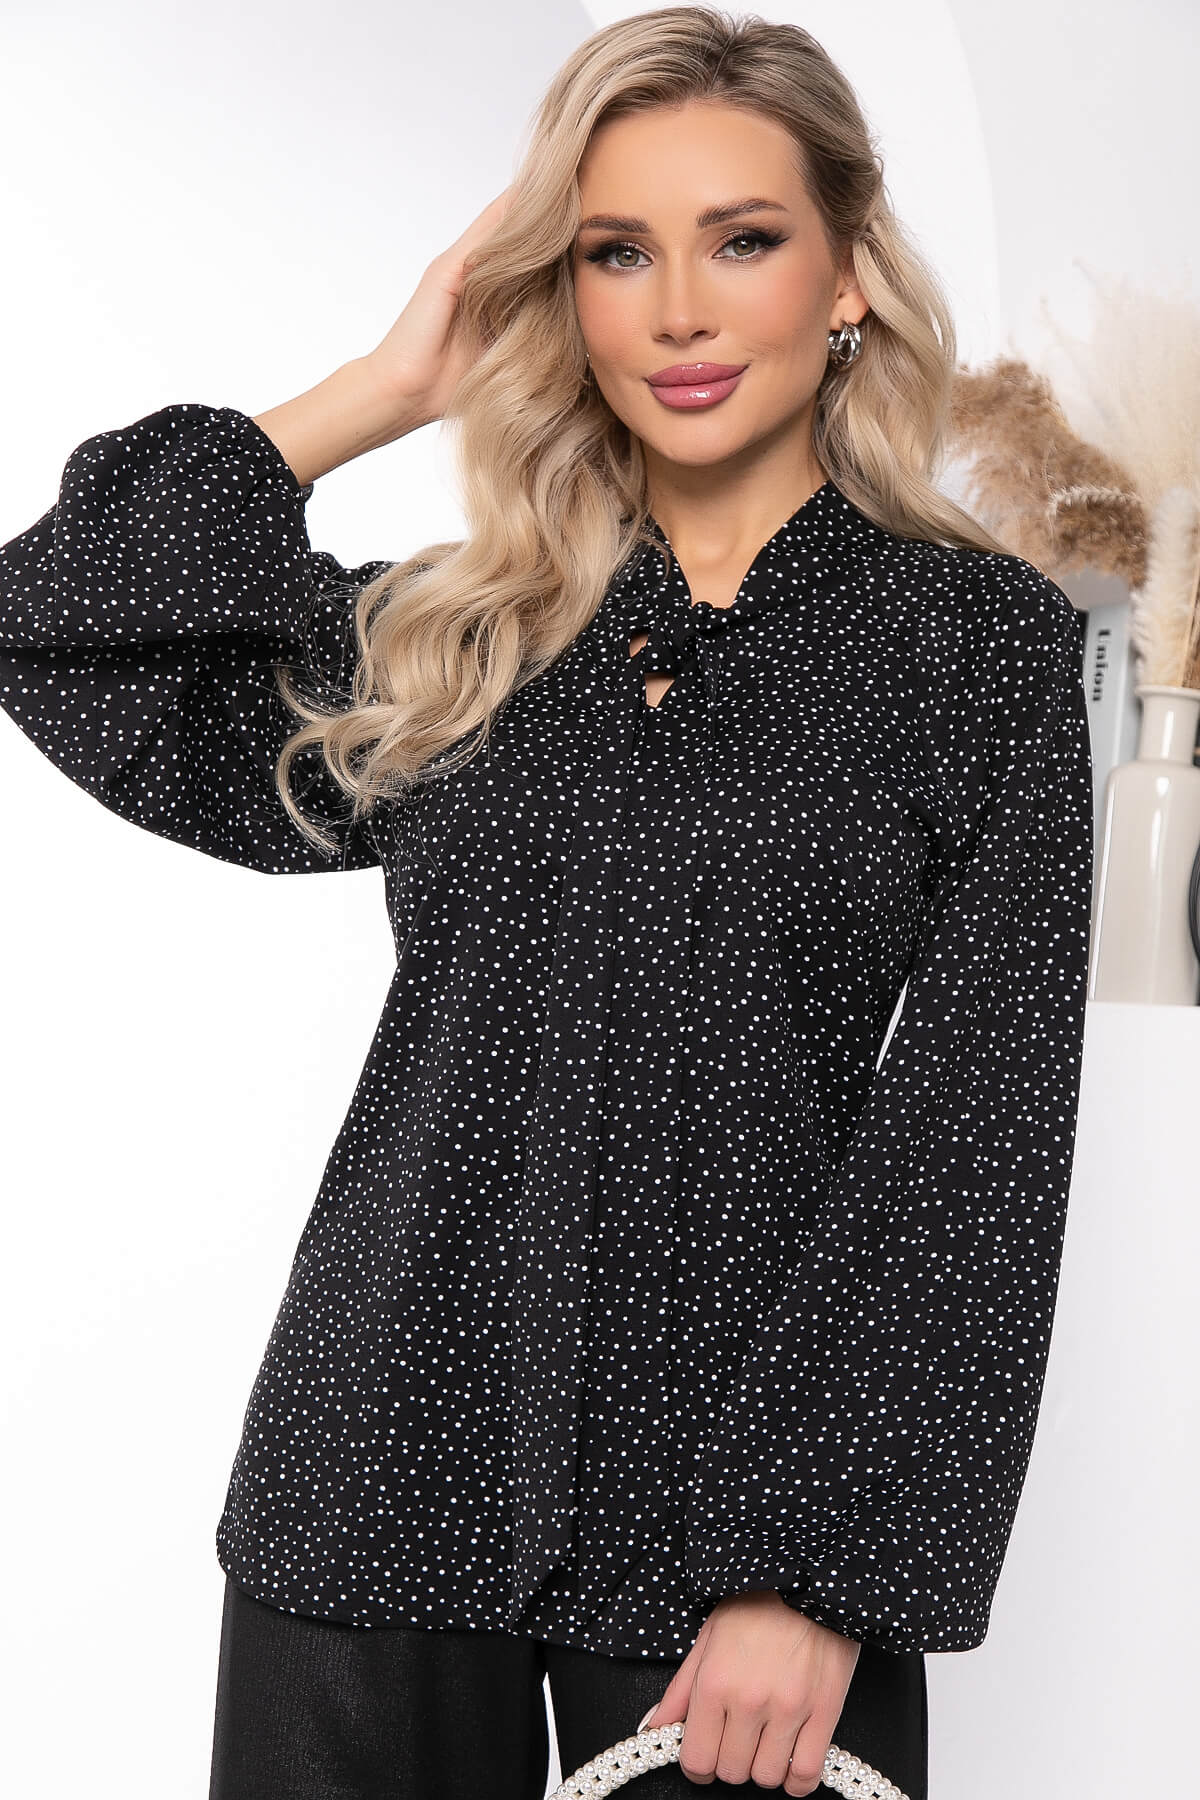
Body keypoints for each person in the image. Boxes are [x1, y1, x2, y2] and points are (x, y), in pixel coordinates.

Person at [0, 9, 1093, 1799]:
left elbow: (978, 1130)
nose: (679, 312)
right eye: (615, 254)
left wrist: (813, 1575)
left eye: (743, 239)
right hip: (369, 1490)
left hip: (732, 1538)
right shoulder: (459, 636)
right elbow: (49, 616)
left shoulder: (975, 650)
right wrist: (383, 384)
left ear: (846, 275)